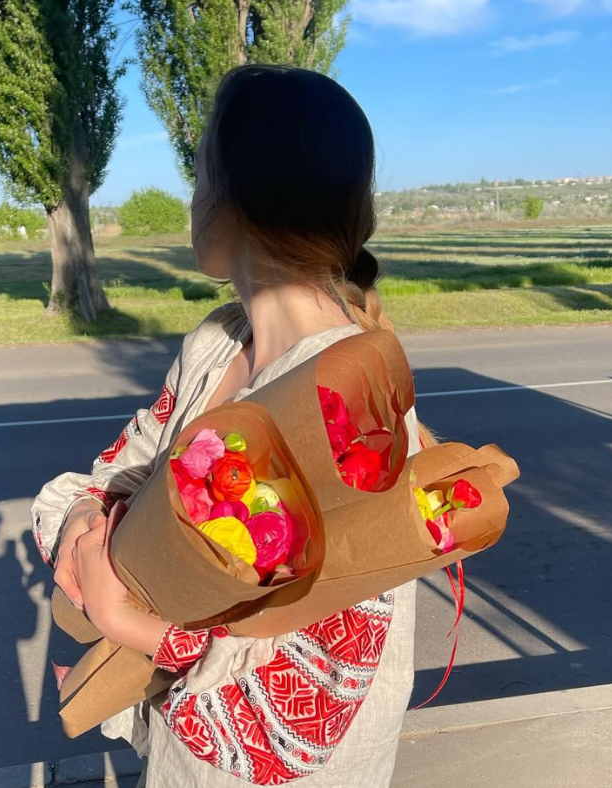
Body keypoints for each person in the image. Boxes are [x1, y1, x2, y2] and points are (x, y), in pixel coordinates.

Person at [32, 65, 424, 787]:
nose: (191, 198)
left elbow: (296, 724)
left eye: (200, 172)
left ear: (237, 197)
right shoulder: (216, 345)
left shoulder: (351, 406)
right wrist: (85, 521)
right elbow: (113, 471)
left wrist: (128, 622)